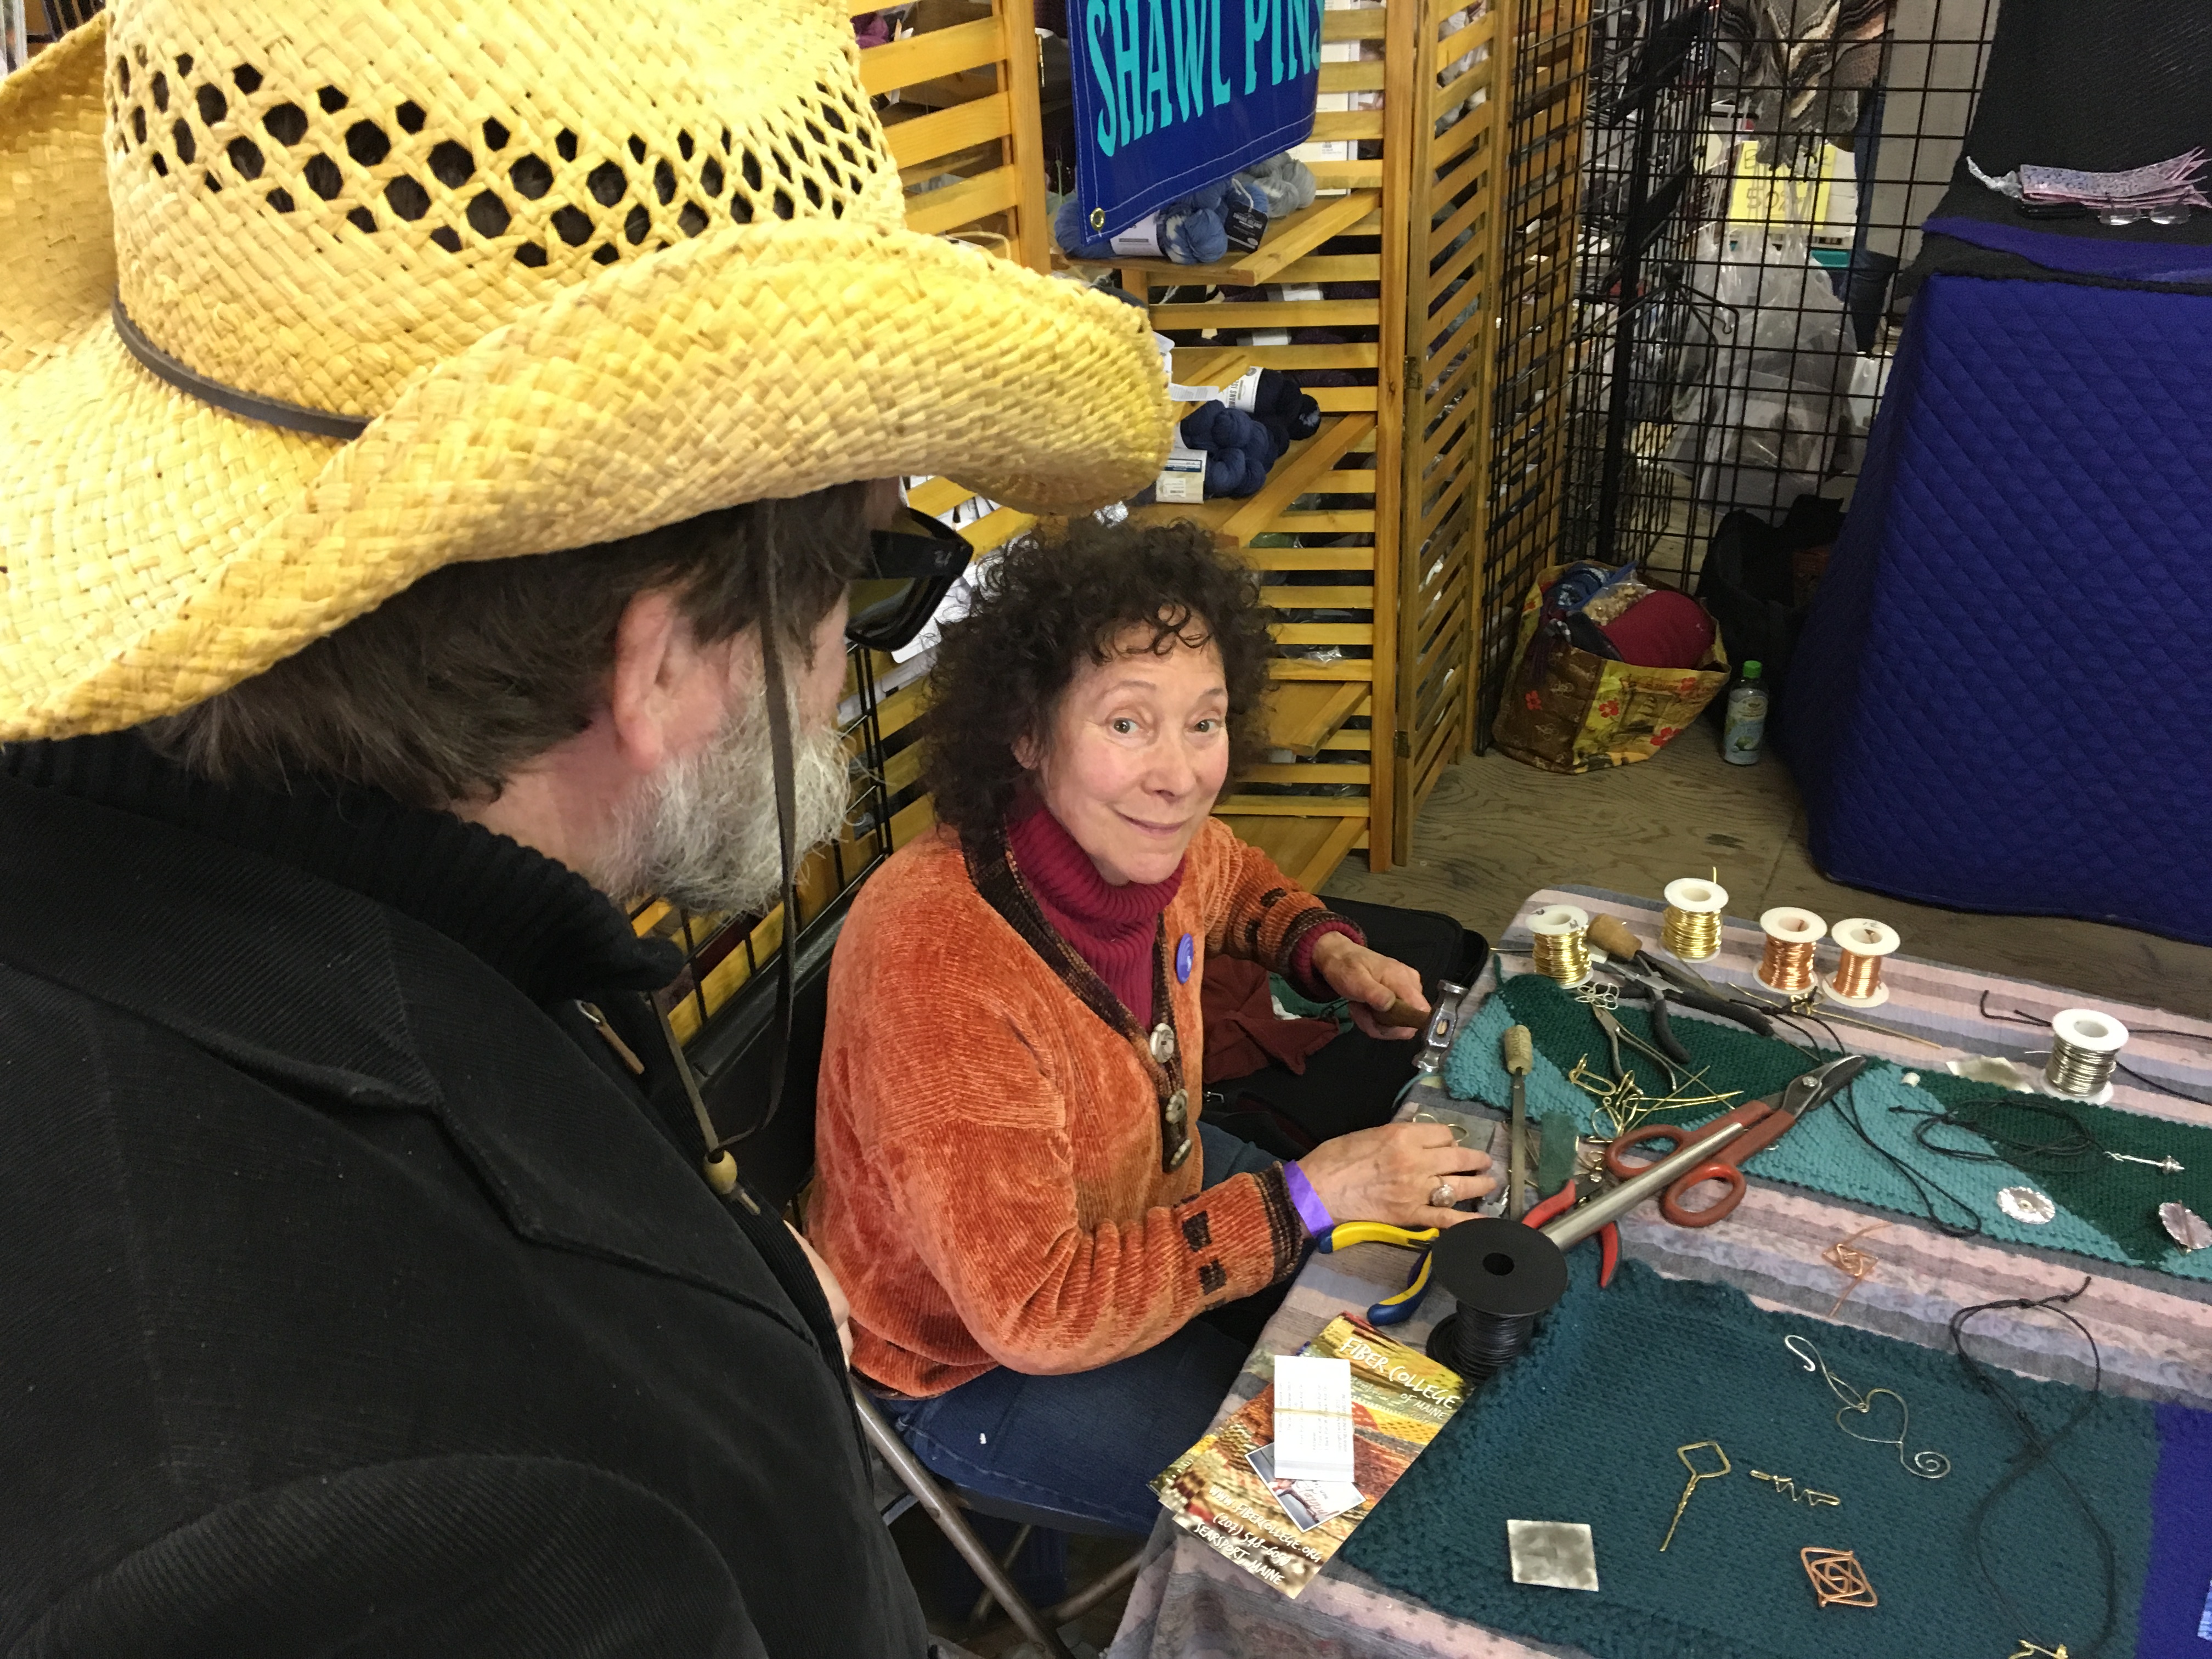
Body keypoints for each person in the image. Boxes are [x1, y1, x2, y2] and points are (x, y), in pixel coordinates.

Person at [0, 0, 1168, 1651]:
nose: (852, 670)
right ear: (671, 656)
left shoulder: (199, 915)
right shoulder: (469, 1507)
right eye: (857, 584)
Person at [810, 520, 1496, 1536]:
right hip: (973, 1359)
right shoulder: (941, 963)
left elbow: (1229, 876)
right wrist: (1304, 1197)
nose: (1178, 776)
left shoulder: (1141, 850)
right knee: (1331, 1495)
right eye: (1127, 725)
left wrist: (1324, 951)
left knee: (1415, 1313)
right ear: (1028, 732)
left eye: (1203, 723)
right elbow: (1036, 1310)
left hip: (1145, 1189)